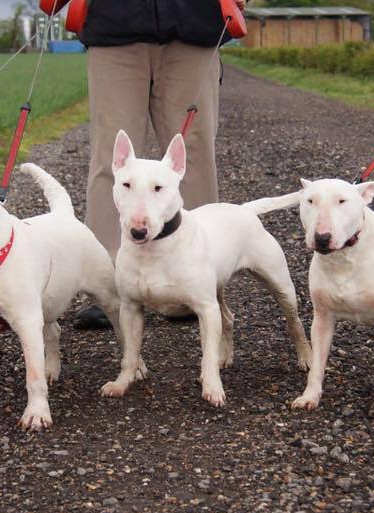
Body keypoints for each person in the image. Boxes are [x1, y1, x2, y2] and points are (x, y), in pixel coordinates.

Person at [73, 0, 245, 329]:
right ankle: (107, 287)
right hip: (114, 27)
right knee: (113, 162)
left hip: (196, 26)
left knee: (192, 157)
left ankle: (194, 280)